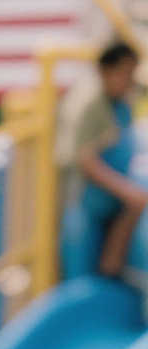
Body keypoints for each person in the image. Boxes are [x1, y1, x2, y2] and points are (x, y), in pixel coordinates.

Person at [59, 42, 144, 279]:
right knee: (82, 271)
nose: (130, 80)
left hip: (111, 203)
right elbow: (84, 160)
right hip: (87, 204)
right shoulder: (88, 103)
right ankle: (110, 262)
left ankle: (114, 263)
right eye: (125, 73)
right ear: (105, 71)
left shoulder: (121, 102)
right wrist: (127, 192)